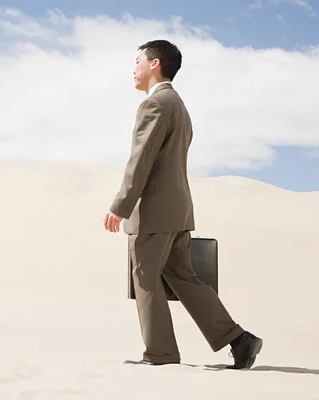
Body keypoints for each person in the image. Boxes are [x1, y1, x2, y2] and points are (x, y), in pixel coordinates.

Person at [103, 39, 262, 369]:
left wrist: (120, 205)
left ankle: (160, 355)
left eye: (137, 62)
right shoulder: (179, 105)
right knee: (183, 278)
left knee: (145, 277)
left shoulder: (155, 105)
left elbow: (141, 161)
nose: (133, 69)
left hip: (155, 212)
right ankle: (239, 340)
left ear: (154, 65)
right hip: (177, 211)